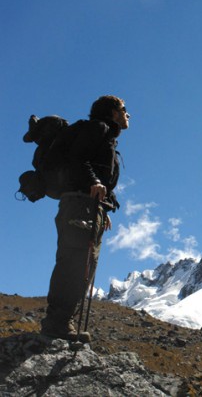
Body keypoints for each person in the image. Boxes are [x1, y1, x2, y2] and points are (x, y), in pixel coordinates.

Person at [40, 95, 130, 342]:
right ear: (112, 112)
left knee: (83, 264)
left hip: (88, 206)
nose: (127, 115)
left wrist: (104, 206)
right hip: (80, 205)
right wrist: (94, 183)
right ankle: (57, 323)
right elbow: (78, 159)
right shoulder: (98, 129)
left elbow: (92, 167)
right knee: (76, 262)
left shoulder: (104, 135)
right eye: (123, 109)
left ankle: (62, 321)